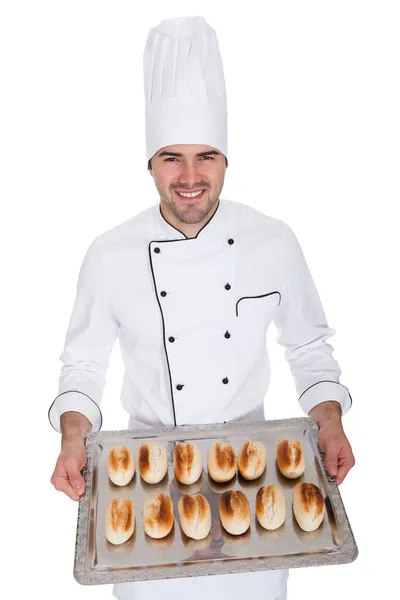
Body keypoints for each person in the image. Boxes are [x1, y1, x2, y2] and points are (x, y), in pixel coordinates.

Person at [49, 16, 355, 600]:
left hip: (259, 475)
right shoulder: (110, 253)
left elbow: (309, 347)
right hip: (142, 485)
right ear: (148, 162)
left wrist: (331, 420)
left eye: (206, 156)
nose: (190, 178)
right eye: (171, 158)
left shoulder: (274, 240)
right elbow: (83, 364)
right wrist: (72, 434)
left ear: (226, 159)